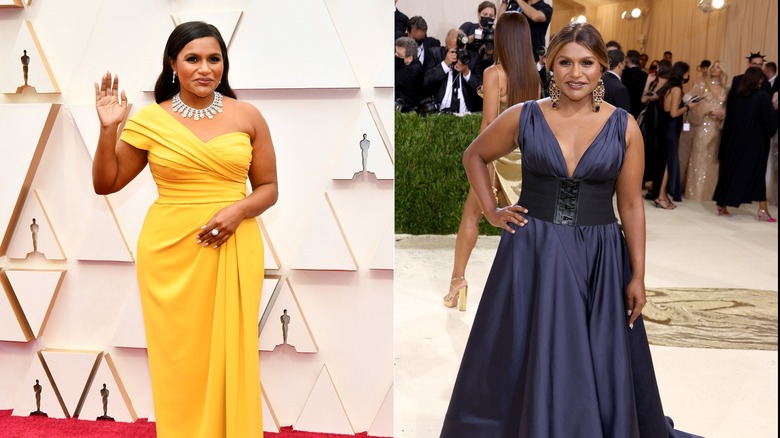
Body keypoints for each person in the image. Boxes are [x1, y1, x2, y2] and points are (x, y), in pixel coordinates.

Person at [440, 22, 701, 437]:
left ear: (602, 68)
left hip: (599, 256)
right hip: (533, 253)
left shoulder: (624, 126)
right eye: (565, 62)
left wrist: (638, 274)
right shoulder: (524, 115)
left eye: (587, 63)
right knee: (524, 352)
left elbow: (631, 205)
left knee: (592, 357)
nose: (575, 73)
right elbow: (475, 155)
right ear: (549, 65)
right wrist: (491, 210)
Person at [92, 21, 277, 437]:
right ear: (173, 64)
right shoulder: (151, 121)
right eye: (192, 59)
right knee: (178, 358)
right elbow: (106, 183)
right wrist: (109, 130)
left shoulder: (247, 115)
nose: (205, 68)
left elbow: (269, 189)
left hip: (234, 246)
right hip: (169, 254)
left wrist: (238, 211)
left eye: (214, 59)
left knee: (233, 352)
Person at [444, 10, 540, 311]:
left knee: (471, 217)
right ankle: (529, 290)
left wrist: (484, 164)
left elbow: (488, 125)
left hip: (496, 157)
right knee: (522, 222)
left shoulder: (494, 73)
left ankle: (457, 283)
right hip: (525, 158)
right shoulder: (533, 74)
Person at [713, 66, 778, 220]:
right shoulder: (762, 96)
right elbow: (770, 122)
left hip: (736, 142)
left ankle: (721, 205)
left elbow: (731, 119)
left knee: (731, 171)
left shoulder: (740, 96)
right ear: (759, 79)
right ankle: (762, 210)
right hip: (755, 144)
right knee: (757, 174)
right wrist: (775, 107)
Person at [651, 61, 699, 209]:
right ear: (682, 73)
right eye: (687, 72)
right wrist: (688, 107)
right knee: (668, 162)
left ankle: (662, 194)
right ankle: (661, 197)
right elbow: (673, 113)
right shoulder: (676, 89)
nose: (688, 75)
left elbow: (666, 109)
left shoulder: (668, 88)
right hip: (671, 127)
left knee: (665, 160)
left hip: (666, 127)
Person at [685, 60, 727, 201]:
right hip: (703, 126)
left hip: (717, 128)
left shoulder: (726, 89)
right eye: (713, 67)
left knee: (713, 160)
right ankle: (695, 193)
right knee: (699, 157)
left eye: (718, 67)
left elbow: (729, 107)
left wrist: (723, 114)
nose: (715, 69)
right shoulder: (702, 86)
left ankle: (709, 194)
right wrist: (704, 108)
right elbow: (687, 100)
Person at [423, 29, 484, 114]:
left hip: (467, 114)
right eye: (448, 48)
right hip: (438, 112)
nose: (451, 52)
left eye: (455, 49)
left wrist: (466, 73)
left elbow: (481, 88)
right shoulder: (434, 54)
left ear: (464, 46)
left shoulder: (474, 58)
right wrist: (444, 64)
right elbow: (425, 81)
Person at [394, 36, 424, 113]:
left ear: (410, 58)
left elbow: (393, 79)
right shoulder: (406, 65)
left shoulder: (414, 70)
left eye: (398, 55)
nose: (395, 56)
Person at [622, 49, 649, 119]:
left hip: (625, 107)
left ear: (628, 59)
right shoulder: (645, 75)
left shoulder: (624, 73)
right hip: (639, 108)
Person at [602, 48, 630, 112]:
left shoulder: (598, 80)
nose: (625, 65)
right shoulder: (619, 88)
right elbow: (624, 116)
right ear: (620, 65)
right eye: (625, 62)